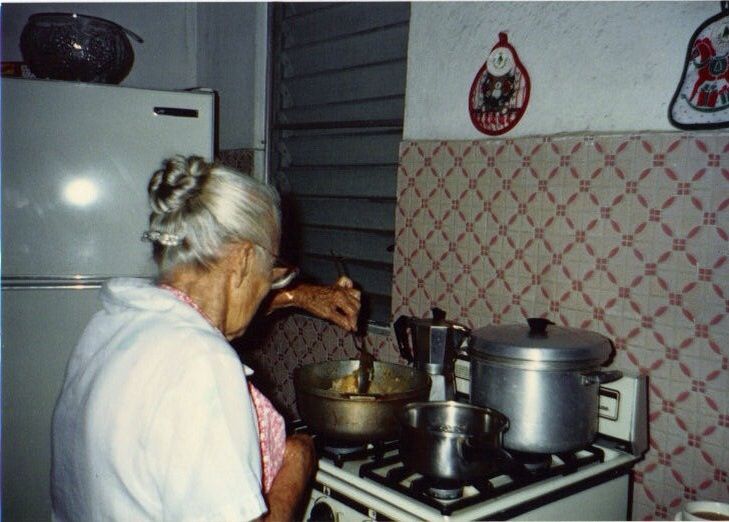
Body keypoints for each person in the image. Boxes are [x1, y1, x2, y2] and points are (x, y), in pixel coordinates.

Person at [51, 155, 361, 521]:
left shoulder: (111, 323)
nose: (268, 288)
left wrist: (295, 295)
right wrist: (296, 462)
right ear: (244, 259)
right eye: (271, 275)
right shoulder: (202, 364)